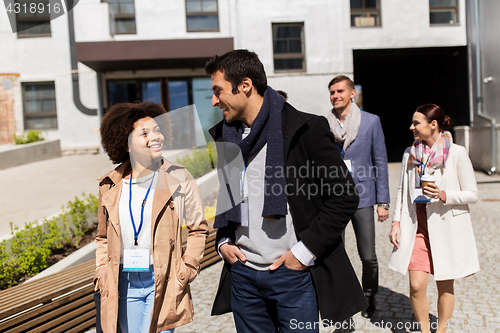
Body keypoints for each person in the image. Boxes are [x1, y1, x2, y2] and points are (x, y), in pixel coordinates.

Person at [206, 49, 366, 333]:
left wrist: (304, 253)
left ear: (245, 85)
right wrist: (223, 241)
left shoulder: (306, 129)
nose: (214, 100)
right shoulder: (225, 136)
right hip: (243, 276)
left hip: (291, 276)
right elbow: (230, 196)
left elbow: (344, 196)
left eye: (218, 91)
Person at [94, 102, 209, 333]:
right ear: (126, 144)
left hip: (164, 279)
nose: (155, 137)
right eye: (144, 133)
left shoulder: (179, 177)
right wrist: (101, 270)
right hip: (123, 282)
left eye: (157, 130)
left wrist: (188, 268)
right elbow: (102, 237)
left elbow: (198, 228)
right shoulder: (110, 184)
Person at [389, 104, 480, 333]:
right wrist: (396, 222)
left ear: (433, 125)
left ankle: (441, 330)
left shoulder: (457, 153)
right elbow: (402, 190)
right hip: (417, 228)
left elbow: (473, 193)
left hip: (445, 227)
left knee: (445, 285)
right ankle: (423, 330)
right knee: (416, 285)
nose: (411, 127)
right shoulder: (410, 154)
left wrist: (444, 194)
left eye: (416, 123)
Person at [326, 75, 390, 321]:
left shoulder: (371, 122)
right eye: (332, 92)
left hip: (363, 197)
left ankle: (369, 295)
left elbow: (380, 162)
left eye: (340, 91)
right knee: (335, 253)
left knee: (368, 256)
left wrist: (382, 202)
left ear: (352, 93)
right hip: (334, 198)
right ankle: (342, 299)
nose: (335, 96)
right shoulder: (325, 123)